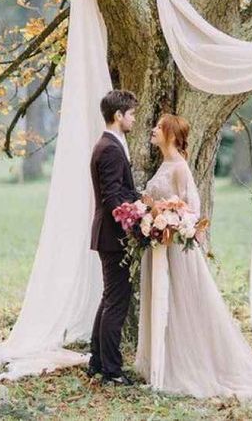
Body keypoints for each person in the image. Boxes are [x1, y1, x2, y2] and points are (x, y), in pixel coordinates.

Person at [135, 113, 252, 402]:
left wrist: (168, 218)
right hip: (159, 245)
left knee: (182, 303)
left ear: (172, 135)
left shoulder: (179, 167)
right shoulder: (164, 164)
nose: (153, 130)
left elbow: (192, 207)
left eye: (159, 127)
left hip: (175, 248)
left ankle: (185, 365)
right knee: (162, 301)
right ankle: (160, 363)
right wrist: (149, 211)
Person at [89, 89, 139, 385]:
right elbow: (112, 198)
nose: (133, 118)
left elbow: (121, 191)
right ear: (118, 116)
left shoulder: (112, 144)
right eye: (130, 114)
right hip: (113, 235)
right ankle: (111, 370)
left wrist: (140, 199)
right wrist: (135, 221)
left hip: (109, 234)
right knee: (117, 303)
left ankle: (98, 361)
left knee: (110, 298)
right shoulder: (109, 148)